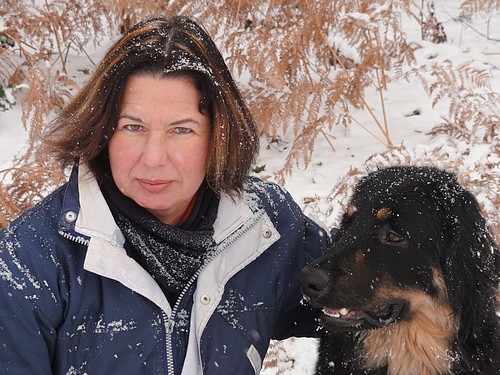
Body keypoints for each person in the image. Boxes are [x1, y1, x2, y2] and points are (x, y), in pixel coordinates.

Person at [0, 16, 328, 374]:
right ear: (102, 130)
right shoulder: (30, 261)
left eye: (181, 130)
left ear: (219, 134)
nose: (153, 158)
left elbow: (369, 309)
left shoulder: (267, 226)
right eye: (133, 127)